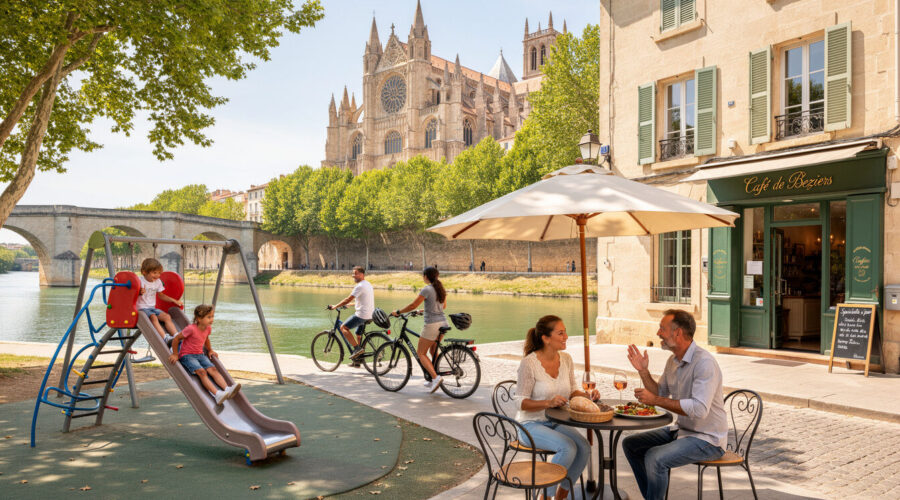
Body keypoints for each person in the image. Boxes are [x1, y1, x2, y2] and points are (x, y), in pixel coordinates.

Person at [622, 310, 727, 500]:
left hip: (708, 439)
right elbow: (660, 392)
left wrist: (655, 401)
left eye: (662, 328)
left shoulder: (704, 363)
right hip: (683, 432)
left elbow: (699, 409)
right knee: (631, 444)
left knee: (654, 458)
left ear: (678, 333)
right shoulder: (673, 361)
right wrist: (643, 371)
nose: (658, 333)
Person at [515, 315, 596, 500]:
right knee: (568, 447)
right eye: (561, 333)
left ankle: (560, 497)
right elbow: (519, 402)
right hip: (529, 425)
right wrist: (547, 403)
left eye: (565, 332)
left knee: (584, 447)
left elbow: (574, 390)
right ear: (546, 337)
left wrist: (588, 397)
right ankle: (544, 498)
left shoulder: (566, 359)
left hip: (556, 421)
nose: (566, 336)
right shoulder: (529, 363)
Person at [390, 266, 447, 393]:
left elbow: (413, 305)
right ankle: (433, 377)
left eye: (423, 275)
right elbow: (443, 306)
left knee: (421, 353)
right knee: (433, 351)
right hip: (443, 322)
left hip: (432, 325)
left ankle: (436, 378)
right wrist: (425, 310)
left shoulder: (427, 289)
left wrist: (398, 312)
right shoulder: (441, 289)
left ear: (426, 276)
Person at [169, 305, 240, 406]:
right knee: (202, 372)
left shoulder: (208, 328)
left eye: (212, 316)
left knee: (213, 370)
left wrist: (210, 350)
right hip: (187, 355)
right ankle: (217, 394)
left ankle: (227, 389)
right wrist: (175, 354)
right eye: (209, 317)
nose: (212, 319)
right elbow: (176, 339)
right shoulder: (191, 329)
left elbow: (206, 339)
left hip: (200, 354)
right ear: (199, 319)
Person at [327, 266, 374, 363]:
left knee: (343, 327)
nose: (353, 276)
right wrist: (351, 305)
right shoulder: (368, 284)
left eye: (356, 273)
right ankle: (357, 361)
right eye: (353, 273)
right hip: (370, 314)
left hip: (362, 315)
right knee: (358, 334)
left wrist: (335, 306)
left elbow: (348, 298)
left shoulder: (359, 286)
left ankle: (357, 349)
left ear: (362, 274)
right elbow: (362, 300)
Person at [137, 258, 183, 342]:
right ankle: (165, 337)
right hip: (141, 309)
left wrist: (174, 300)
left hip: (152, 308)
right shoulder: (139, 281)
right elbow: (131, 294)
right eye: (154, 273)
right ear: (144, 272)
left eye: (159, 273)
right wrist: (139, 292)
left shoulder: (158, 282)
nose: (157, 275)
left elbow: (161, 296)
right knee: (153, 317)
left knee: (167, 317)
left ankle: (176, 335)